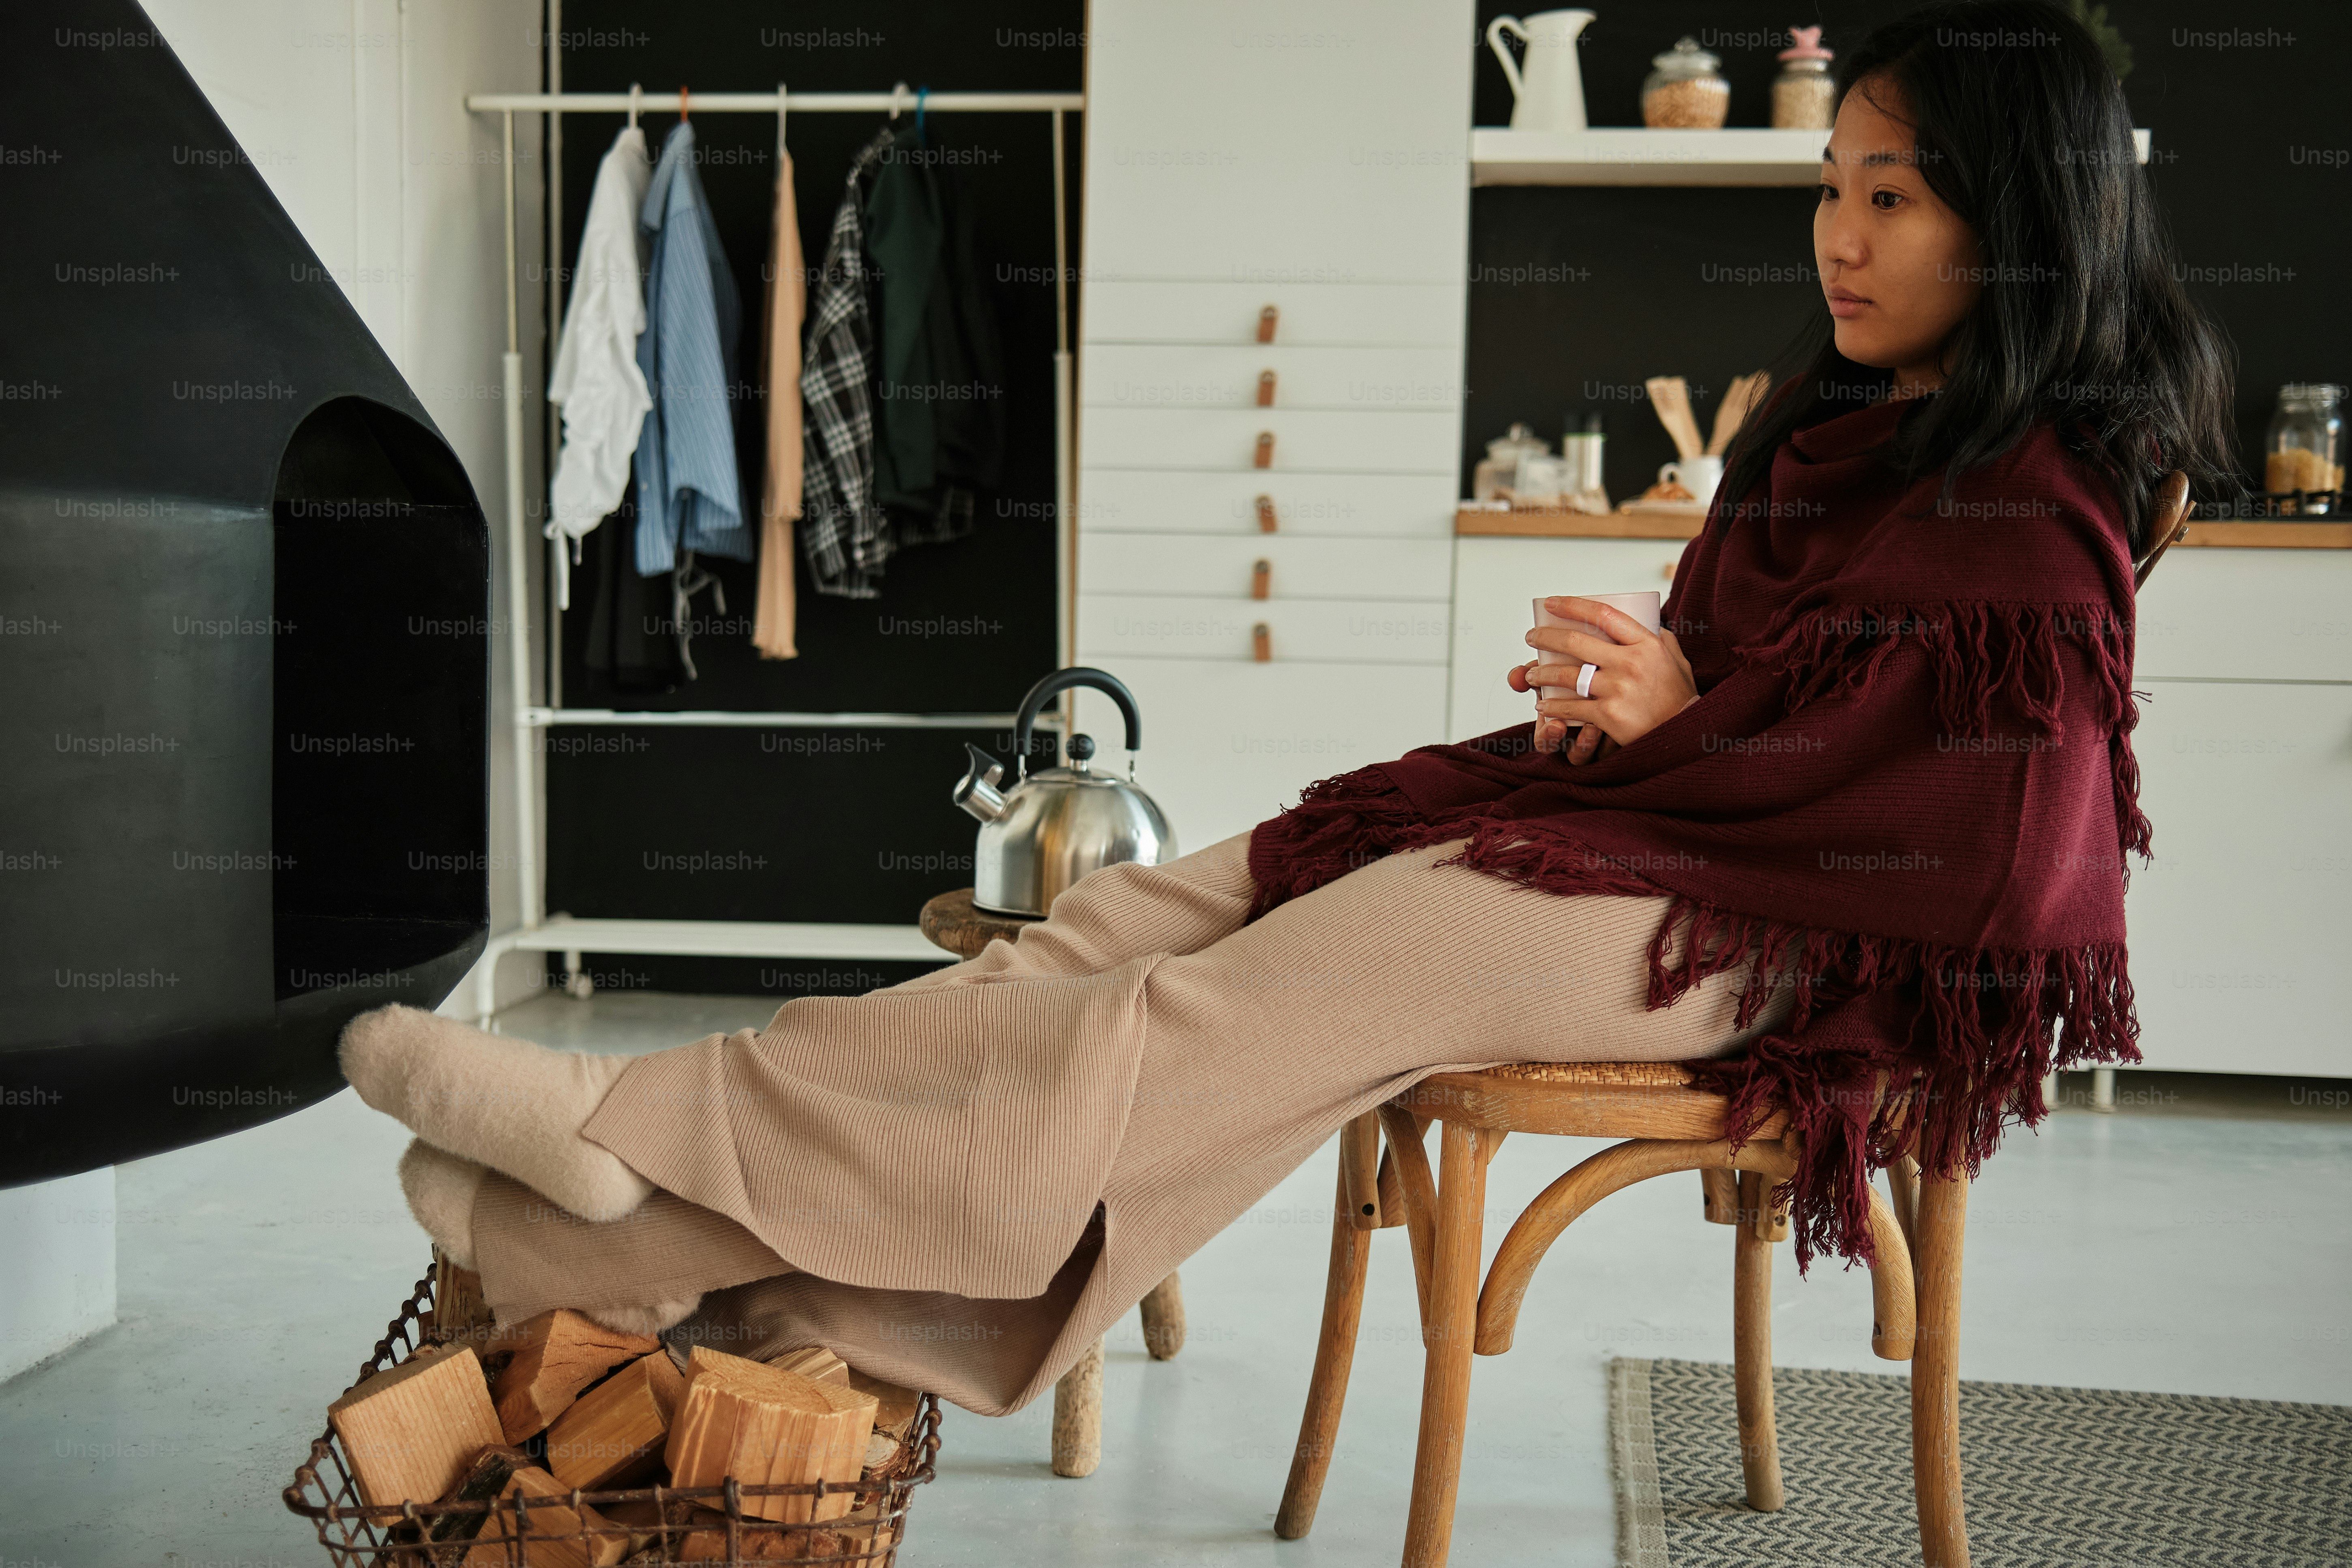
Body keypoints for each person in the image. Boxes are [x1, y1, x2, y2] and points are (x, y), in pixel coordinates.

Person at [343, 0, 2234, 1420]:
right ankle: (641, 1219)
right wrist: (1643, 712)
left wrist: (1682, 730)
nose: (1837, 233)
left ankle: (635, 1145)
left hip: (1790, 939)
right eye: (1831, 186)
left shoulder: (2048, 497)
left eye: (1887, 197)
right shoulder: (1830, 423)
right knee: (1136, 914)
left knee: (1239, 1001)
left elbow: (1984, 859)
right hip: (1671, 833)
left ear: (2020, 218)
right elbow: (1764, 685)